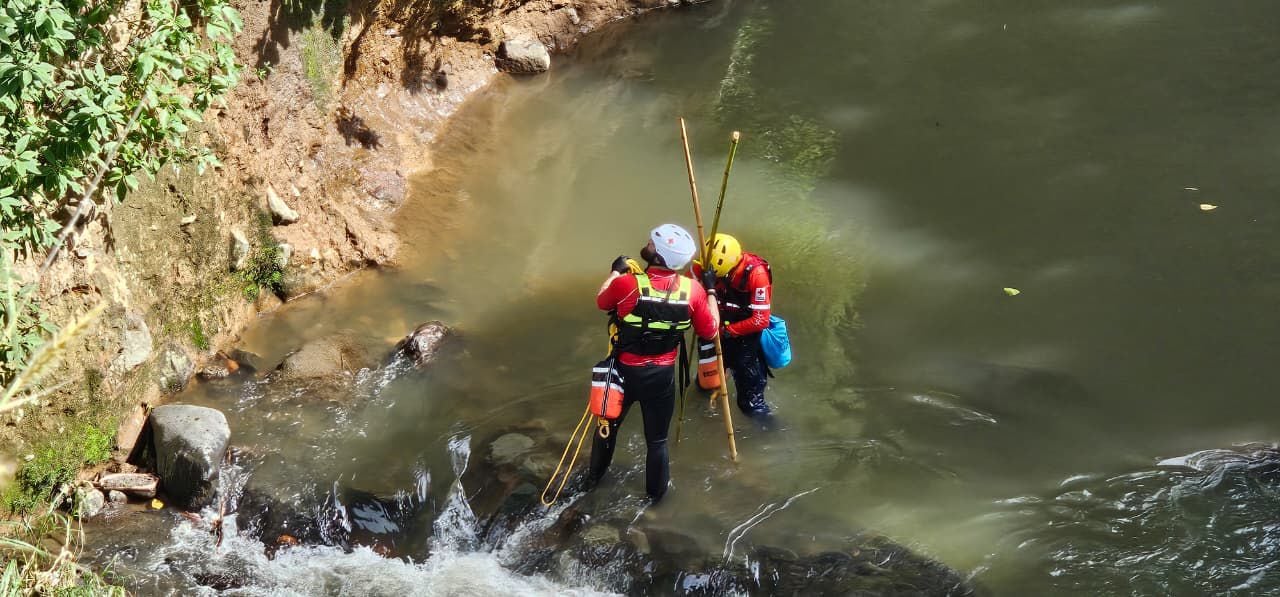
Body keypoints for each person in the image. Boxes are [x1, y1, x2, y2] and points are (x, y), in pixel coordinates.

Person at [589, 223, 719, 502]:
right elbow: (710, 331)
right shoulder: (693, 291)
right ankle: (656, 501)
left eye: (651, 243)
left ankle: (593, 481)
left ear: (658, 255)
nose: (647, 244)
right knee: (657, 441)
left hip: (623, 373)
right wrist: (711, 291)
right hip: (661, 377)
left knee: (606, 428)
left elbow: (602, 301)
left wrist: (615, 271)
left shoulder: (627, 284)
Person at [692, 233, 773, 418]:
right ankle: (711, 392)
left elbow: (761, 320)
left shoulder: (756, 274)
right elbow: (687, 293)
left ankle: (763, 424)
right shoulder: (703, 265)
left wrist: (726, 331)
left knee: (751, 404)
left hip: (743, 332)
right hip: (713, 325)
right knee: (704, 384)